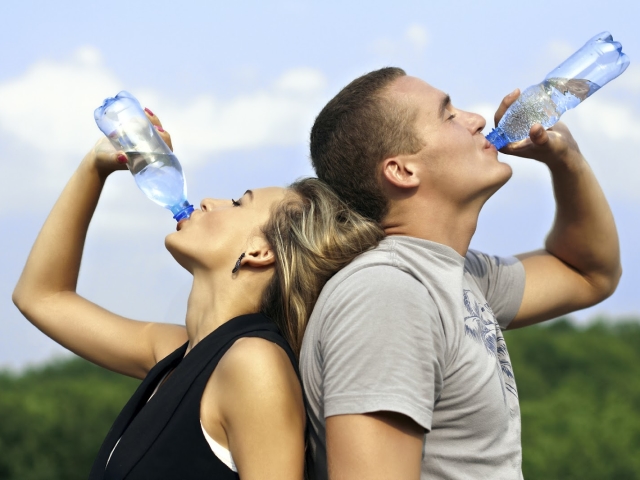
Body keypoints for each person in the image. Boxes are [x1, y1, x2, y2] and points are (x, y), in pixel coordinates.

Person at [12, 110, 383, 479]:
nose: (208, 201)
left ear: (259, 251)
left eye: (239, 202)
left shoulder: (254, 366)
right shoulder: (177, 353)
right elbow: (41, 296)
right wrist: (95, 167)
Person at [300, 67, 622, 479]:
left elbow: (589, 273)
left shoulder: (454, 275)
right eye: (448, 115)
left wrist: (566, 160)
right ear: (401, 171)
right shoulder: (387, 295)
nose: (478, 120)